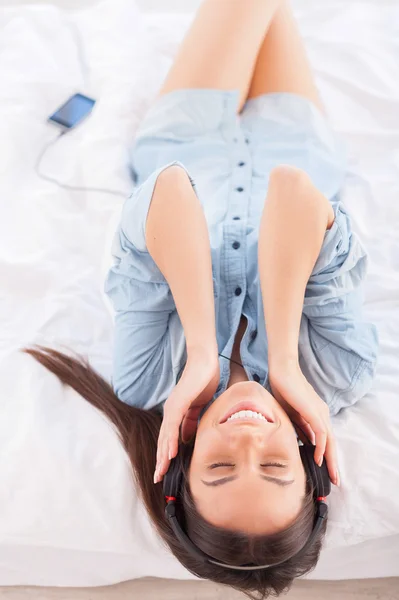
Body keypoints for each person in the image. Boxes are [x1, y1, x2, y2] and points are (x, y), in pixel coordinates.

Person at [27, 0, 379, 597]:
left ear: (181, 467)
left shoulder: (146, 382)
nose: (247, 439)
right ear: (308, 459)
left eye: (219, 467)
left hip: (187, 136)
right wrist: (288, 366)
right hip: (298, 142)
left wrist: (199, 352)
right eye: (274, 465)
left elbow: (166, 190)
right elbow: (293, 190)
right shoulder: (339, 375)